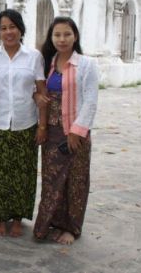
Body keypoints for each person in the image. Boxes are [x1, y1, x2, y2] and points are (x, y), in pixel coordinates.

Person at [0, 9, 47, 237]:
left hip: (25, 122)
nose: (8, 32)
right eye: (3, 28)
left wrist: (42, 126)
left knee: (23, 173)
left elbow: (41, 92)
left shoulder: (34, 57)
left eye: (12, 27)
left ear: (20, 29)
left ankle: (17, 218)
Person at [33, 16, 99, 245]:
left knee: (75, 181)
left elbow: (91, 100)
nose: (62, 39)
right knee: (52, 181)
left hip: (75, 132)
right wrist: (36, 97)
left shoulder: (86, 65)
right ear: (51, 38)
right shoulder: (47, 63)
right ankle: (50, 224)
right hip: (51, 132)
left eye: (67, 34)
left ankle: (71, 228)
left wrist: (76, 131)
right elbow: (38, 91)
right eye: (57, 35)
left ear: (75, 36)